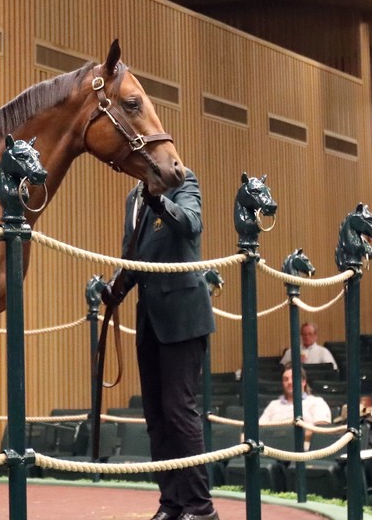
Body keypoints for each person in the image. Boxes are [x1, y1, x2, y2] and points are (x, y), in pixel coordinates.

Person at [116, 171, 218, 520]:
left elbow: (191, 224)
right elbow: (133, 258)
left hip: (183, 314)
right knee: (156, 416)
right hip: (149, 318)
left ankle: (200, 507)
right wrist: (114, 288)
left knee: (178, 408)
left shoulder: (184, 182)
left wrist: (159, 200)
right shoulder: (132, 198)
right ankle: (172, 502)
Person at [259, 367, 333, 441]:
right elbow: (260, 430)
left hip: (305, 448)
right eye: (285, 379)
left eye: (293, 378)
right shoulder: (273, 405)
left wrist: (289, 436)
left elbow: (321, 430)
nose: (290, 382)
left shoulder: (317, 402)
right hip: (273, 449)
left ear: (304, 382)